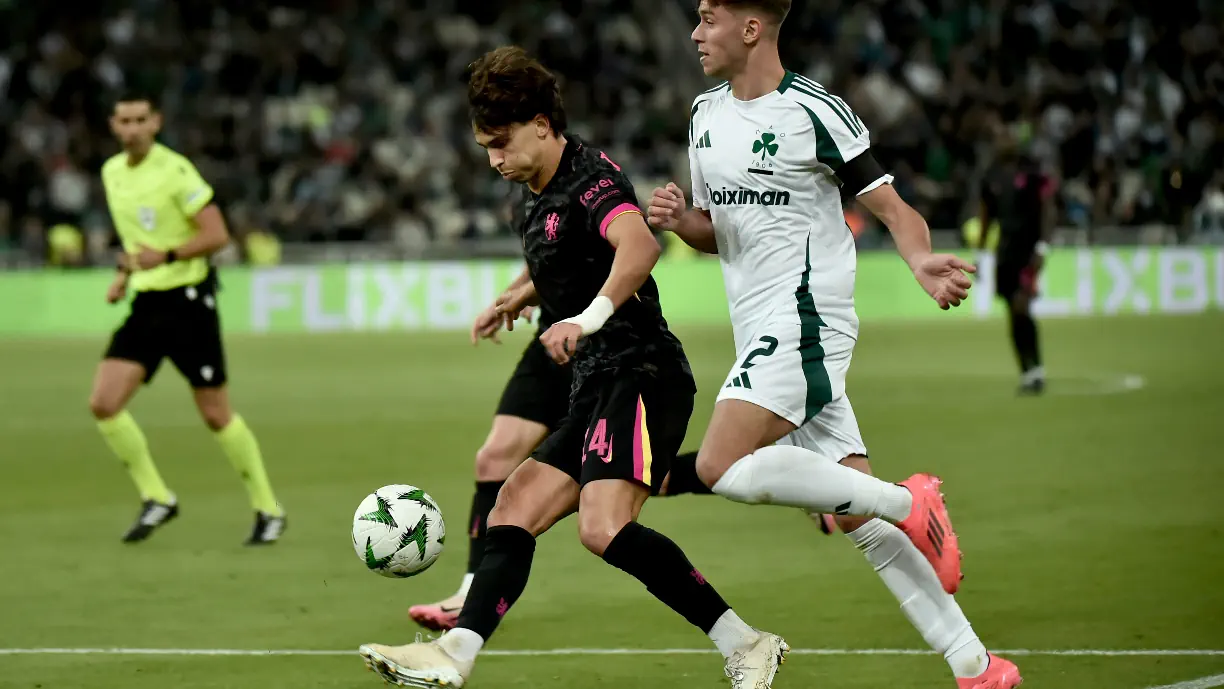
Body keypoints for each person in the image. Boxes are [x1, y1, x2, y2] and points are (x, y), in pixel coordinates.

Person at [360, 46, 786, 689]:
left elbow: (638, 244)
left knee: (602, 527)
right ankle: (454, 656)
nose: (494, 160)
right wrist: (520, 295)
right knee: (513, 505)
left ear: (540, 122)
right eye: (484, 148)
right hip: (597, 383)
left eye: (501, 144)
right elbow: (564, 252)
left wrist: (583, 321)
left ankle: (747, 643)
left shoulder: (592, 178)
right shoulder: (531, 195)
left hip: (641, 372)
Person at [646, 2, 1022, 688]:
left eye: (707, 18)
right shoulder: (704, 115)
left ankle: (910, 501)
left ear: (751, 28)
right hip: (760, 327)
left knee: (722, 464)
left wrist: (918, 260)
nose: (696, 34)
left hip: (806, 318)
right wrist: (682, 224)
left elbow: (892, 207)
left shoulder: (815, 110)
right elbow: (719, 233)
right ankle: (977, 665)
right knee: (857, 517)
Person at [407, 290, 724, 631]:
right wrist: (520, 293)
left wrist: (540, 295)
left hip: (611, 350)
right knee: (495, 463)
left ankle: (726, 468)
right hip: (553, 339)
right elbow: (546, 246)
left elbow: (621, 248)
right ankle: (469, 601)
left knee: (617, 492)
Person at [90, 91, 286, 545]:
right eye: (125, 120)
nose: (133, 128)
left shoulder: (175, 170)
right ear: (114, 125)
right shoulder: (111, 172)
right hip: (146, 304)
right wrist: (124, 273)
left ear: (155, 122)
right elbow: (137, 239)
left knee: (216, 415)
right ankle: (157, 497)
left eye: (141, 119)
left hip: (188, 303)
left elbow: (216, 233)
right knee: (103, 403)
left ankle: (267, 509)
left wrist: (169, 255)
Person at [979, 133, 1055, 395]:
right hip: (1005, 254)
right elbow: (986, 214)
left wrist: (1043, 245)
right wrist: (980, 251)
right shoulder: (991, 176)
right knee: (1013, 311)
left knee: (1022, 307)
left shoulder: (1032, 172)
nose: (1003, 141)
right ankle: (1027, 371)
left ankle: (1037, 369)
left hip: (1027, 252)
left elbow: (1047, 209)